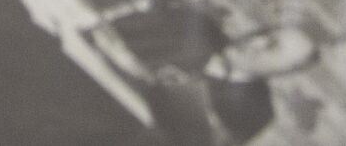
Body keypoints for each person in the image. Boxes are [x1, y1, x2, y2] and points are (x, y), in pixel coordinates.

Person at [109, 14, 316, 146]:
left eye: (271, 46)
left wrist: (147, 78)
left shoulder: (255, 111)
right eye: (264, 32)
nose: (255, 40)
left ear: (284, 71)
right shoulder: (196, 28)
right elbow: (112, 30)